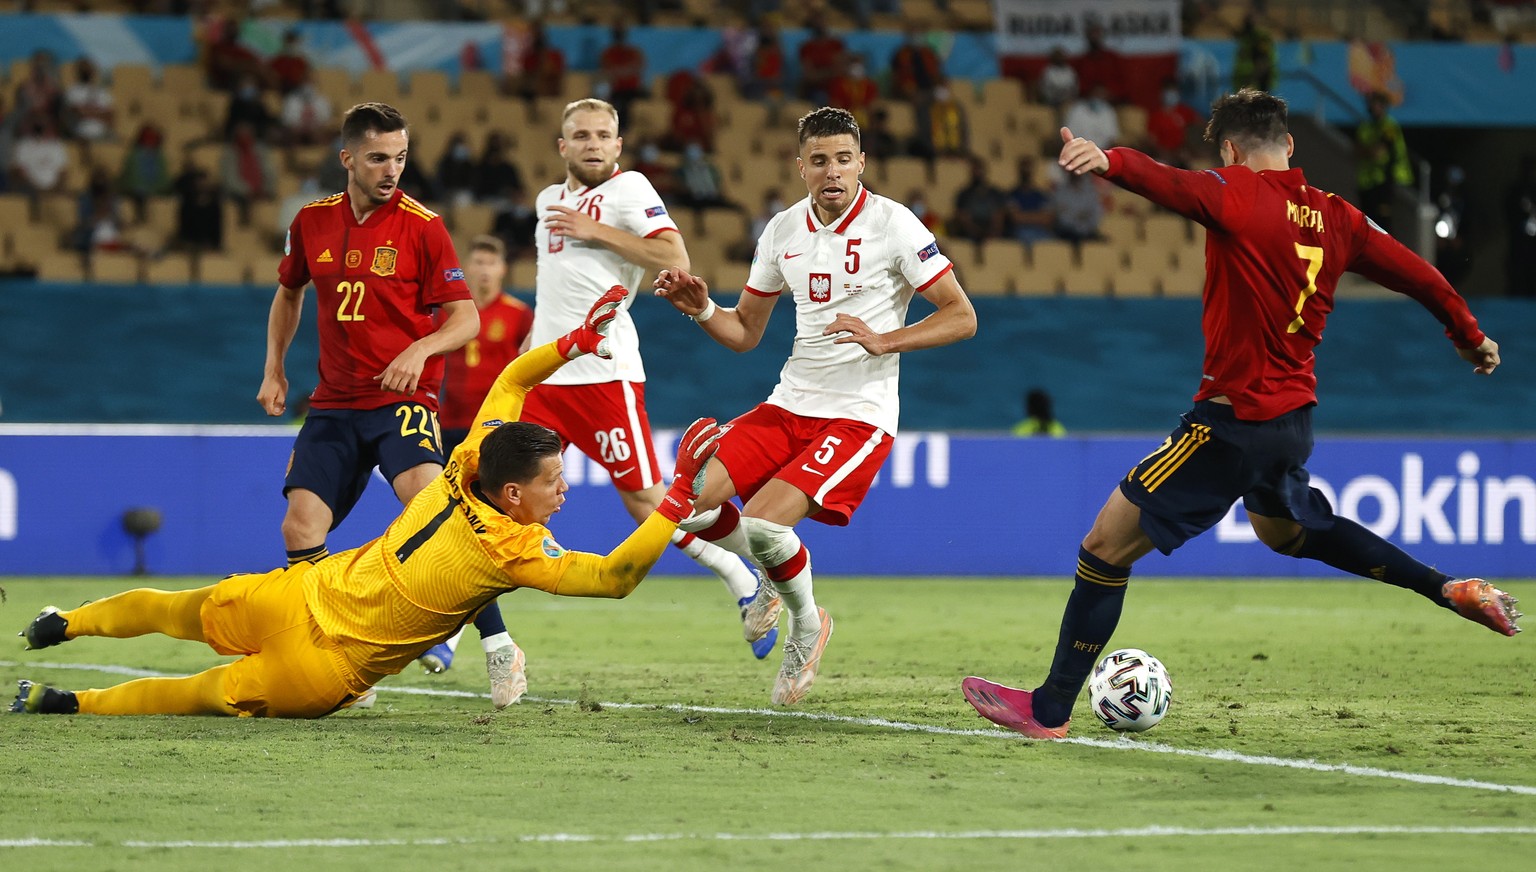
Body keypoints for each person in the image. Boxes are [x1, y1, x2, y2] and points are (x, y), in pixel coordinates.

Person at [961, 90, 1516, 741]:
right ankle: (1445, 587)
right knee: (1289, 533)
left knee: (1103, 548)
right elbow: (1423, 275)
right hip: (1290, 424)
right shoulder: (1339, 217)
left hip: (1228, 422)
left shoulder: (1235, 194)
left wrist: (1107, 159)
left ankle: (1050, 709)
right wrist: (1469, 335)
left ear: (1229, 150)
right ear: (1290, 145)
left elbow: (1168, 184)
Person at [13, 291, 726, 718]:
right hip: (325, 671)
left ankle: (66, 622)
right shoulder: (516, 551)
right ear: (514, 494)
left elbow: (509, 381)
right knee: (198, 695)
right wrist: (675, 496)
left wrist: (572, 342)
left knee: (180, 609)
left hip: (301, 592)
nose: (564, 489)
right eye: (554, 480)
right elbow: (615, 578)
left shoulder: (463, 463)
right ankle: (71, 703)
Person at [653, 107, 977, 705]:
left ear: (862, 163)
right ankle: (770, 583)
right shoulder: (781, 231)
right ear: (799, 166)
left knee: (764, 524)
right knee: (682, 505)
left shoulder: (894, 225)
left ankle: (807, 625)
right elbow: (746, 332)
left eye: (844, 159)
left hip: (859, 411)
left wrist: (886, 339)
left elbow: (962, 315)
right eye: (820, 160)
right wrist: (701, 308)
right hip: (790, 400)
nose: (833, 172)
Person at [490, 97, 772, 668]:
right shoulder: (548, 200)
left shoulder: (630, 190)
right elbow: (557, 285)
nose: (593, 143)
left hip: (605, 376)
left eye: (603, 135)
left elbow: (674, 254)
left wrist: (597, 230)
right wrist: (531, 346)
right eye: (581, 135)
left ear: (618, 146)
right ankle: (481, 637)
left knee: (646, 503)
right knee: (497, 500)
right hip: (547, 376)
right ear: (562, 145)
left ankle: (745, 576)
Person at [256, 101, 486, 690]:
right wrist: (275, 368)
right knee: (299, 528)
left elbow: (465, 320)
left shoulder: (424, 226)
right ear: (348, 159)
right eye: (379, 158)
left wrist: (420, 349)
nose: (392, 170)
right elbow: (289, 293)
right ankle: (324, 660)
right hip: (333, 402)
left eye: (401, 158)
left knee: (429, 504)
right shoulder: (312, 221)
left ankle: (497, 640)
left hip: (401, 399)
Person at [416, 235, 535, 695]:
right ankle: (468, 639)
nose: (484, 270)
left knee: (474, 535)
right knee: (463, 536)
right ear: (466, 268)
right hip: (446, 432)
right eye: (477, 262)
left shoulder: (519, 315)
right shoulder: (451, 314)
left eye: (492, 262)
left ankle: (459, 639)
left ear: (503, 270)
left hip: (494, 441)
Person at [1354, 91, 1413, 236]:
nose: (1374, 107)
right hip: (1366, 182)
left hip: (1387, 180)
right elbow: (1355, 151)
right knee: (1366, 224)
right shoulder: (1365, 126)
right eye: (1371, 104)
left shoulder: (1390, 126)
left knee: (1383, 225)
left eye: (1378, 104)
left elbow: (1378, 152)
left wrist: (1368, 151)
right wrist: (1369, 151)